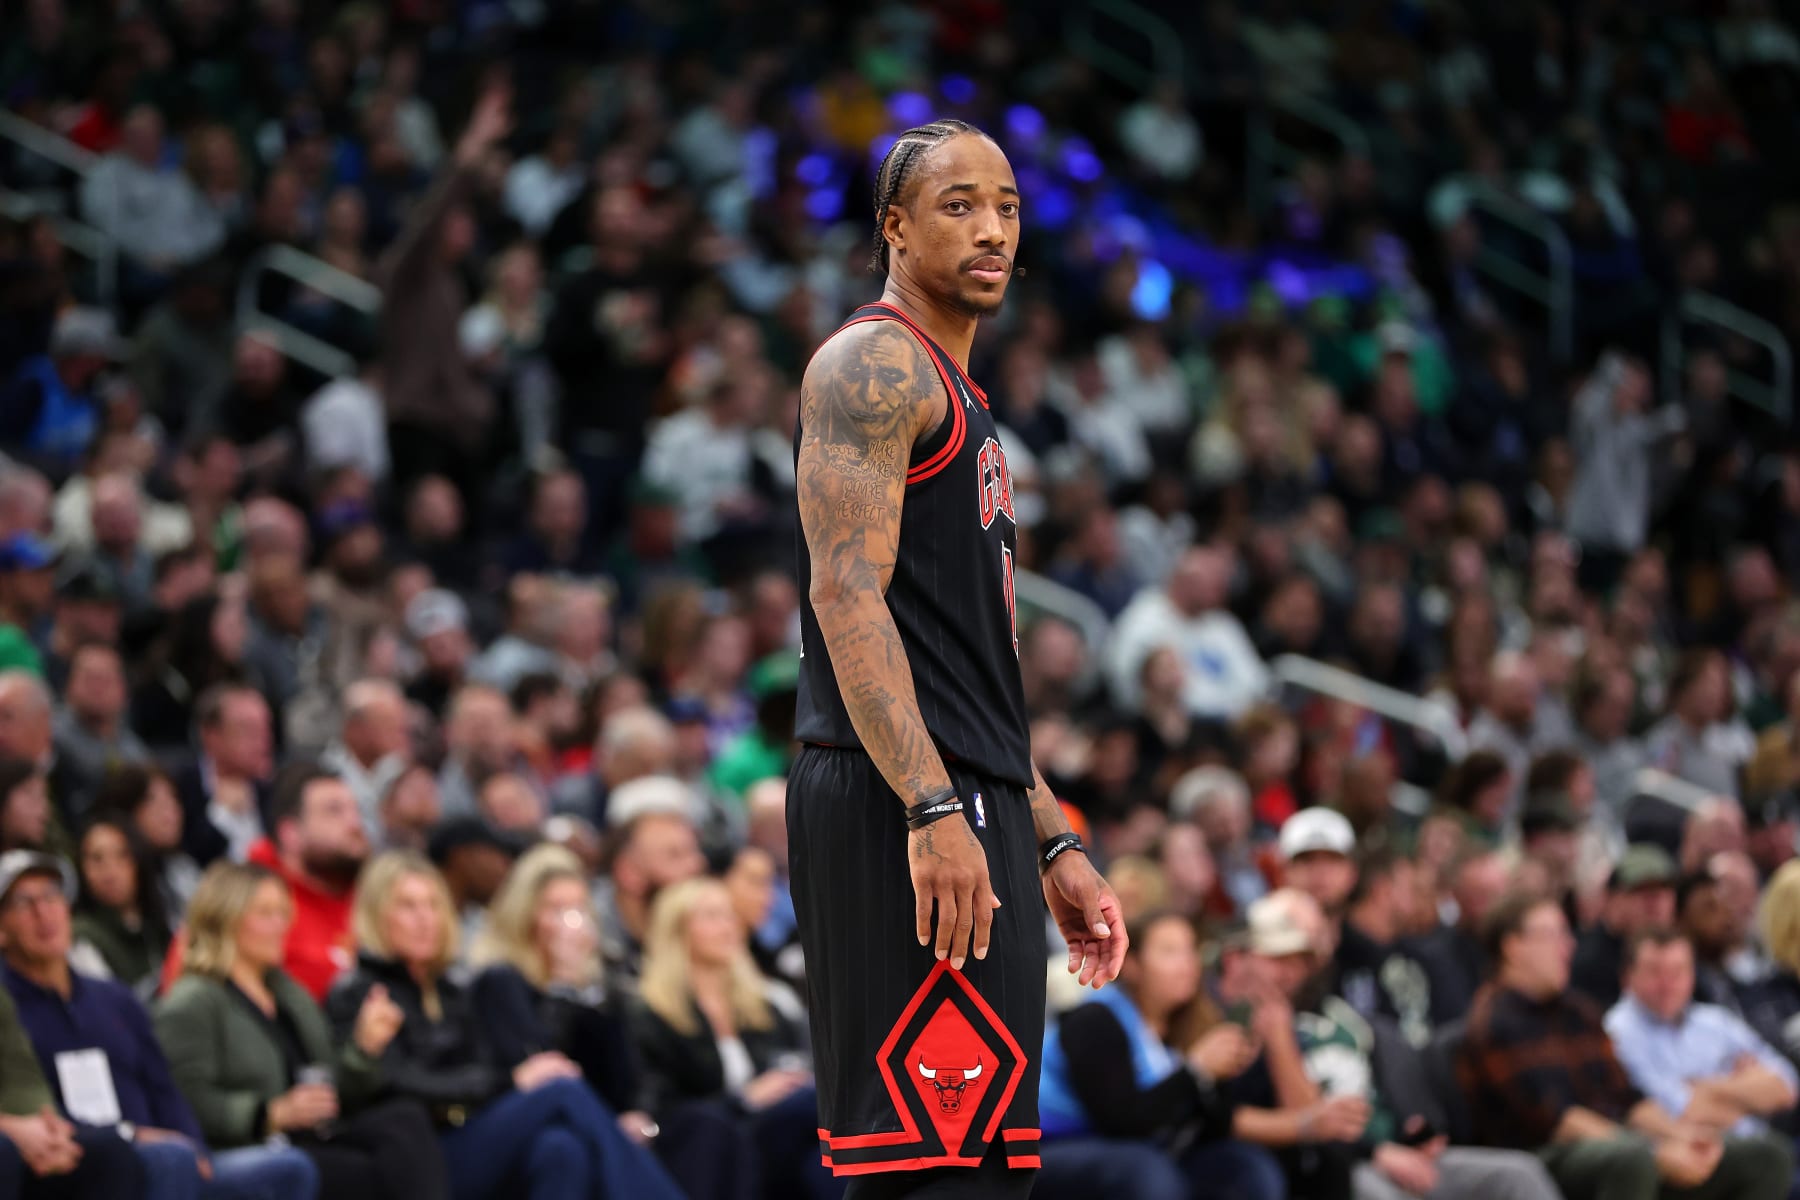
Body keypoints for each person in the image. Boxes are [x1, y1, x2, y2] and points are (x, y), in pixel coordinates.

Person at [790, 117, 1125, 1196]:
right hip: (904, 801)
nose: (992, 228)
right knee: (921, 1176)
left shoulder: (960, 389)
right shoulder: (873, 364)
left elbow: (968, 672)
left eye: (1008, 206)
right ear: (893, 227)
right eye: (958, 204)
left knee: (984, 1171)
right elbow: (844, 597)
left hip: (966, 797)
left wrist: (1052, 838)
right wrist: (934, 811)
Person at [327, 851, 685, 1200]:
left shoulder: (451, 989)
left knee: (560, 1149)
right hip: (419, 1156)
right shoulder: (360, 991)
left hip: (472, 1130)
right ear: (377, 915)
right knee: (561, 1089)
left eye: (433, 905)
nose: (426, 919)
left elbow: (622, 1074)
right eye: (408, 906)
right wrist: (507, 1082)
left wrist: (577, 989)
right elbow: (394, 1083)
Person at [0, 850, 318, 1200]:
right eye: (22, 903)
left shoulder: (114, 997)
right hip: (83, 1156)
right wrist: (132, 1136)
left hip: (165, 1151)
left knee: (291, 1168)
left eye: (50, 896)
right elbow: (33, 1103)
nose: (42, 913)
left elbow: (165, 1087)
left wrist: (193, 1144)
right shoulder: (8, 1009)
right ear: (2, 929)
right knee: (164, 1160)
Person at [1458, 891, 1790, 1200]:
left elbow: (1627, 1098)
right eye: (1553, 935)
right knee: (1630, 1160)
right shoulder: (1494, 1021)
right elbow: (1558, 1120)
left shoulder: (1578, 1011)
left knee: (1763, 1155)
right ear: (1513, 946)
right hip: (1544, 1157)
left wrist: (1680, 1138)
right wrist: (1655, 1150)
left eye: (1566, 935)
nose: (1568, 946)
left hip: (1618, 1143)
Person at [154, 861, 448, 1200]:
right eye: (265, 913)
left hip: (315, 1135)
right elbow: (185, 1098)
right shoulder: (194, 1000)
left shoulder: (288, 993)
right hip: (255, 1144)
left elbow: (331, 1087)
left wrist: (364, 1049)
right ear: (225, 918)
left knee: (402, 1118)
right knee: (366, 1173)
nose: (281, 925)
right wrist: (270, 1113)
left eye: (283, 912)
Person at [1036, 910, 1283, 1200]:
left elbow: (1212, 1126)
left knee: (1244, 1167)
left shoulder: (1190, 1025)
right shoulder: (1096, 1019)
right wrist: (1196, 1071)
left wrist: (1221, 1078)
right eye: (1170, 952)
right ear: (1132, 965)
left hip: (1138, 1151)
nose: (1187, 964)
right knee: (1148, 1173)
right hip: (1055, 1145)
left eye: (1191, 950)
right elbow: (1121, 1123)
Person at [630, 877, 833, 1200]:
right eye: (711, 916)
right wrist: (743, 1099)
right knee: (815, 1112)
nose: (727, 926)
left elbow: (788, 1063)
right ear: (678, 931)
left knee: (819, 1159)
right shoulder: (650, 1014)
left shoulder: (764, 1004)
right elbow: (664, 1109)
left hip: (771, 1133)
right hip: (704, 1143)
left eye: (728, 915)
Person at [1603, 930, 1798, 1147]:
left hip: (1754, 1145)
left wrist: (1707, 1086)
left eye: (1678, 972)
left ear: (1692, 975)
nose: (1667, 984)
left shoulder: (1714, 1021)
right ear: (1628, 977)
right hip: (1678, 1151)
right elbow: (1678, 1109)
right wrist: (1745, 1092)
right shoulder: (1617, 1030)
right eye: (1655, 972)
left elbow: (1787, 1086)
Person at [0, 982, 144, 1199]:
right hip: (6, 1133)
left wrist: (46, 1133)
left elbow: (23, 1077)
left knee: (108, 1151)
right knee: (4, 1151)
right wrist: (11, 1129)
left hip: (16, 1124)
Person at [69, 813, 170, 996]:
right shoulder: (81, 936)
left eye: (122, 855)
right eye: (96, 859)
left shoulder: (158, 922)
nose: (110, 871)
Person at [1572, 844, 1679, 1010]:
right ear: (1611, 899)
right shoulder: (1585, 962)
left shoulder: (1682, 953)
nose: (1655, 903)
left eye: (1664, 891)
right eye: (1642, 891)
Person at [91, 764, 202, 918]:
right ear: (129, 810)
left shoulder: (182, 867)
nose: (170, 811)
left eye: (173, 798)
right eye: (153, 800)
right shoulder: (125, 880)